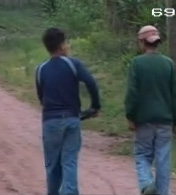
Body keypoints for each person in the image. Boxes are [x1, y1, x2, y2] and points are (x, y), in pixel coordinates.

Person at [35, 27, 101, 195]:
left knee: (52, 165)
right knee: (69, 161)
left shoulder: (41, 69)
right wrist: (95, 106)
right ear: (62, 45)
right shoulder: (73, 64)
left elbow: (41, 97)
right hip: (71, 119)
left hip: (50, 121)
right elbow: (91, 83)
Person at [124, 25, 176, 195]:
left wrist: (130, 116)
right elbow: (175, 96)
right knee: (163, 160)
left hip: (143, 120)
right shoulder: (169, 64)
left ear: (142, 42)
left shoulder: (136, 63)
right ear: (157, 42)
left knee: (142, 154)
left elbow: (132, 93)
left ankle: (146, 183)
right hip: (165, 121)